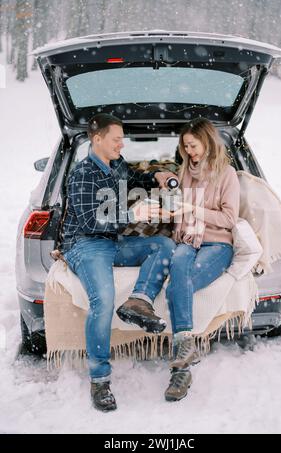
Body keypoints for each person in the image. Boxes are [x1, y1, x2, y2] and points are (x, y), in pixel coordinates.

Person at [61, 113, 176, 412]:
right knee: (104, 300)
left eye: (122, 139)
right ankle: (100, 379)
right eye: (116, 139)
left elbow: (133, 179)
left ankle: (137, 302)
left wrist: (156, 176)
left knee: (163, 244)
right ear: (97, 138)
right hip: (85, 244)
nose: (121, 144)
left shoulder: (116, 163)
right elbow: (89, 221)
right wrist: (132, 216)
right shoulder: (82, 173)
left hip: (113, 241)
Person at [164, 118, 240, 402]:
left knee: (176, 288)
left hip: (217, 243)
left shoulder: (227, 174)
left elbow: (230, 219)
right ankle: (186, 352)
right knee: (178, 278)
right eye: (185, 146)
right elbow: (177, 212)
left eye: (193, 145)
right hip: (186, 240)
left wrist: (194, 210)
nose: (190, 151)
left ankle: (180, 371)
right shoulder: (184, 171)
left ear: (207, 142)